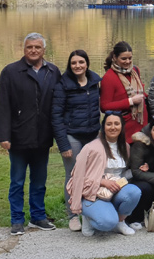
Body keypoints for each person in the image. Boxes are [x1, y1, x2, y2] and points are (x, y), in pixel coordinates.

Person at [0, 32, 62, 235]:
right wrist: (3, 136)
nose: (33, 50)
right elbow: (2, 106)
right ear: (24, 50)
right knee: (17, 181)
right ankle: (17, 219)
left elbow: (58, 104)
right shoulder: (11, 72)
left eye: (37, 47)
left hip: (42, 137)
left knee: (39, 181)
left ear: (44, 50)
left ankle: (38, 216)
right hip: (18, 137)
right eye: (29, 47)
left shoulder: (53, 71)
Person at [52, 49, 103, 231]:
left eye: (81, 62)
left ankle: (91, 209)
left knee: (95, 173)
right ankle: (73, 215)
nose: (77, 66)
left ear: (87, 63)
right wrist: (63, 144)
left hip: (93, 135)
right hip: (72, 135)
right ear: (69, 65)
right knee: (74, 175)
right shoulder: (62, 85)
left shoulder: (95, 82)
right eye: (74, 63)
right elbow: (56, 116)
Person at [66, 112, 141, 236]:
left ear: (122, 126)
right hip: (93, 193)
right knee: (107, 223)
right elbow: (77, 178)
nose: (113, 127)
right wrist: (102, 181)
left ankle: (120, 222)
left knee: (134, 192)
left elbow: (124, 173)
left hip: (114, 191)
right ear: (103, 127)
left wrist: (141, 168)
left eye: (116, 124)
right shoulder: (90, 148)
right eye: (109, 124)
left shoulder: (125, 147)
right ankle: (89, 218)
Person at [100, 41, 147, 144]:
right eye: (123, 59)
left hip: (141, 123)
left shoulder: (135, 71)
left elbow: (140, 92)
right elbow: (104, 106)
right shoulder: (109, 77)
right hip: (125, 127)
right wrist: (130, 101)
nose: (127, 61)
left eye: (130, 58)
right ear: (115, 58)